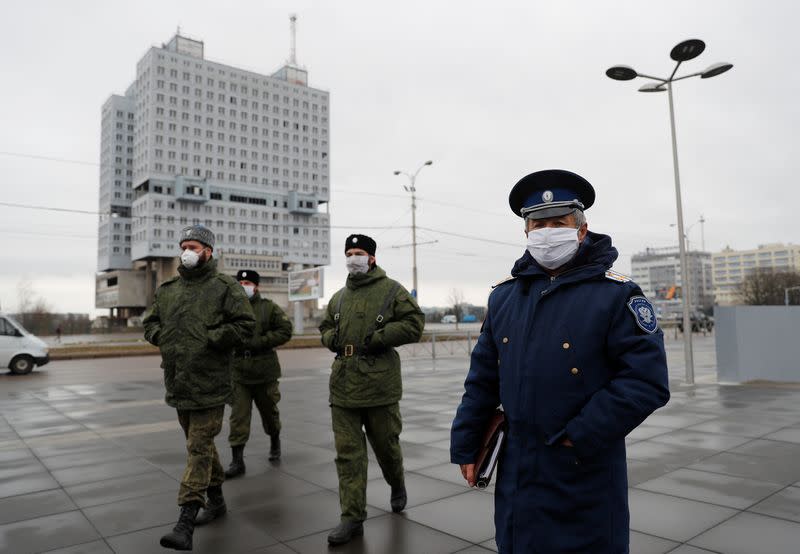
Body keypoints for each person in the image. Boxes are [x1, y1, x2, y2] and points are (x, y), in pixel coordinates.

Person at [450, 169, 670, 554]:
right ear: (526, 232)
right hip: (518, 474)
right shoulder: (504, 298)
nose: (548, 231)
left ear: (581, 229)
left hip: (583, 472)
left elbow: (646, 380)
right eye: (538, 224)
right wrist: (467, 444)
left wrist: (578, 436)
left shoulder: (617, 295)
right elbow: (482, 379)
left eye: (559, 222)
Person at [143, 224, 255, 551]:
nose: (187, 252)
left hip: (211, 384)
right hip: (179, 383)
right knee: (202, 447)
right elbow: (151, 322)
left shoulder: (224, 287)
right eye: (184, 246)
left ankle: (186, 520)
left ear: (208, 251)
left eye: (194, 246)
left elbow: (245, 326)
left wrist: (211, 338)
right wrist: (162, 337)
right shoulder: (168, 290)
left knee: (197, 447)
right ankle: (217, 500)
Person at [319, 234, 425, 545]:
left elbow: (414, 323)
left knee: (386, 447)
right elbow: (324, 327)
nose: (354, 258)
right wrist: (330, 340)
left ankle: (397, 483)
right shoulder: (338, 297)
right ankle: (352, 517)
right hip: (342, 387)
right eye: (349, 253)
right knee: (348, 455)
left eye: (359, 253)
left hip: (380, 385)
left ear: (372, 258)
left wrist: (379, 337)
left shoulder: (391, 290)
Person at [223, 268, 293, 480]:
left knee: (269, 412)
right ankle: (237, 461)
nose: (244, 287)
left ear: (256, 286)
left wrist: (260, 341)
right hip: (238, 372)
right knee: (238, 417)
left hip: (264, 371)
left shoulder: (268, 308)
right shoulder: (230, 310)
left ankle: (275, 441)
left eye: (247, 284)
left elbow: (285, 330)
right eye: (240, 284)